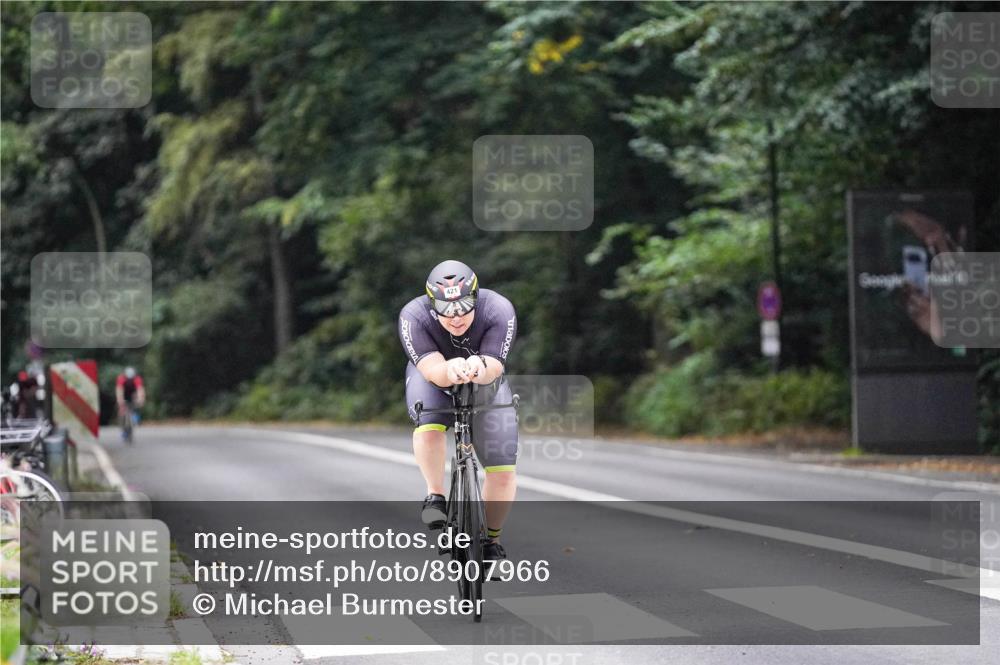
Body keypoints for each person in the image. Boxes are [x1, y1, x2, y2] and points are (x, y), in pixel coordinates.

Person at [398, 260, 518, 561]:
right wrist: (449, 369)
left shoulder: (498, 309)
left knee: (502, 469)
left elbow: (493, 368)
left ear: (476, 297)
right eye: (446, 308)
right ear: (431, 305)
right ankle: (435, 495)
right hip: (433, 375)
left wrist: (479, 365)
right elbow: (434, 372)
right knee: (429, 424)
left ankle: (491, 541)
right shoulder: (413, 316)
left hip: (485, 378)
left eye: (464, 306)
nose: (456, 317)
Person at [115, 367, 146, 438]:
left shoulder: (137, 379)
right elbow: (119, 389)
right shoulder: (121, 378)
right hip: (124, 394)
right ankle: (122, 426)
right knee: (122, 411)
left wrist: (141, 399)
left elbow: (140, 390)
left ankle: (135, 420)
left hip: (132, 395)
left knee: (134, 407)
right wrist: (120, 400)